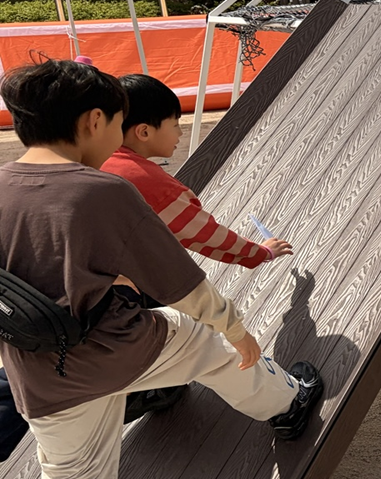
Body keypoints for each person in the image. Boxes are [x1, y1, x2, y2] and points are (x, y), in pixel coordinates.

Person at [0, 59, 323, 479]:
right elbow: (184, 286)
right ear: (94, 120)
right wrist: (240, 329)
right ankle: (287, 404)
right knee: (210, 343)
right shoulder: (102, 190)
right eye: (114, 124)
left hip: (38, 372)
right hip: (120, 350)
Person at [101, 73, 295, 420]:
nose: (179, 133)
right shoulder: (149, 184)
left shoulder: (91, 162)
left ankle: (151, 390)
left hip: (75, 313)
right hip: (123, 305)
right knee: (207, 343)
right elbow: (207, 237)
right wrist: (259, 253)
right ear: (143, 131)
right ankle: (286, 406)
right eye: (175, 125)